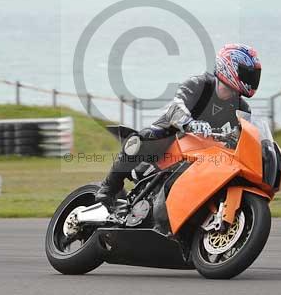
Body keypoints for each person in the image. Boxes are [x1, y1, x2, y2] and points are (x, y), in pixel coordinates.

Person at [95, 43, 262, 207]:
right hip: (171, 136)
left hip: (205, 150)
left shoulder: (241, 107)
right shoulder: (200, 84)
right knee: (143, 139)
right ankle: (109, 187)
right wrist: (189, 123)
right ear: (229, 66)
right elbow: (176, 107)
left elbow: (247, 133)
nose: (252, 78)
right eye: (248, 73)